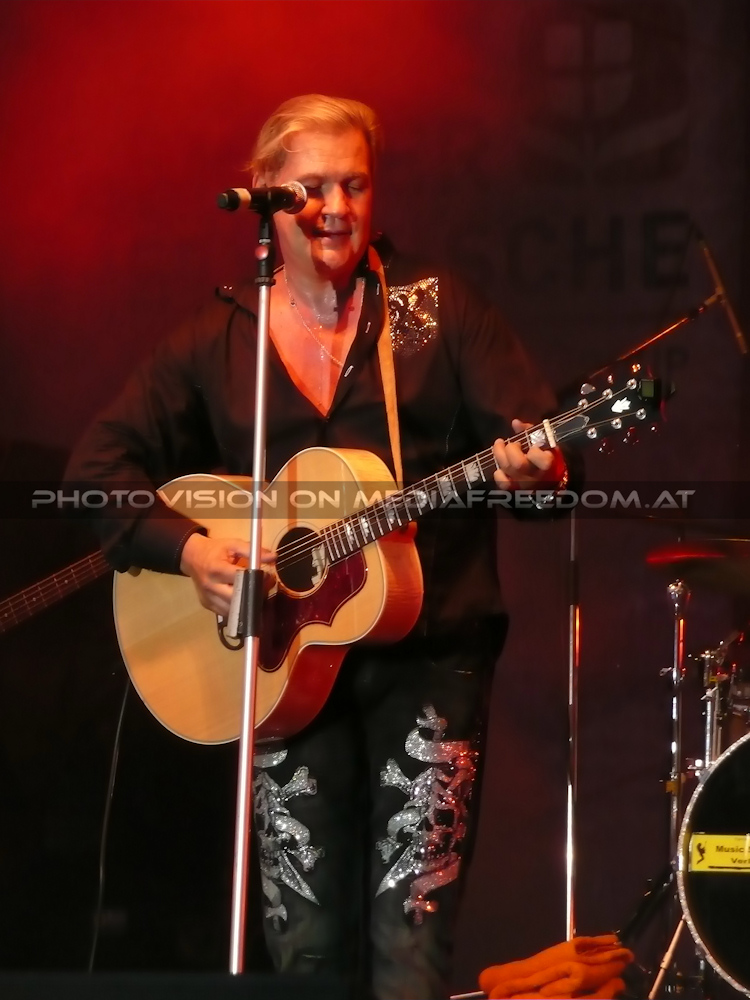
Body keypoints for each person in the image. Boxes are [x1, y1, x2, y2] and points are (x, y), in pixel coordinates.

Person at [65, 94, 570, 999]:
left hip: (429, 660)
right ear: (264, 193)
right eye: (312, 188)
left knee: (410, 950)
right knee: (302, 953)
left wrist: (540, 467)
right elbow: (96, 470)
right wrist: (192, 553)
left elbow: (537, 462)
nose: (336, 207)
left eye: (355, 185)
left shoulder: (434, 310)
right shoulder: (225, 334)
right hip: (282, 670)